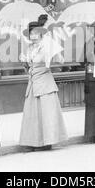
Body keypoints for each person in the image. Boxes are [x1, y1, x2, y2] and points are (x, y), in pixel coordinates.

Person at [19, 14, 68, 151]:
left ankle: (47, 142)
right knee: (34, 115)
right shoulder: (29, 49)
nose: (33, 36)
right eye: (31, 34)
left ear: (41, 34)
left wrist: (53, 52)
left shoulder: (47, 46)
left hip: (45, 84)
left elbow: (60, 62)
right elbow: (29, 68)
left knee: (47, 115)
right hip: (33, 85)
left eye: (36, 33)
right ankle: (35, 142)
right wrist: (25, 65)